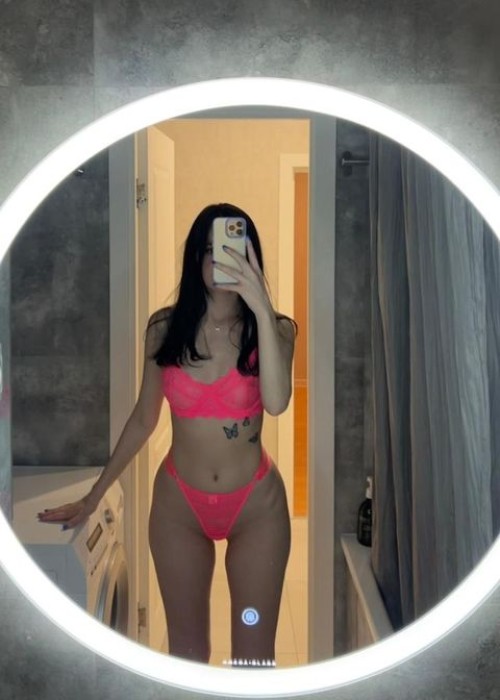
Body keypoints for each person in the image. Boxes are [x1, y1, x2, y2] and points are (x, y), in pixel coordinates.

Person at [38, 203, 296, 666]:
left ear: (252, 257)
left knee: (254, 658)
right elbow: (144, 418)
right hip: (180, 508)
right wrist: (94, 497)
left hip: (257, 509)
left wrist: (259, 305)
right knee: (187, 654)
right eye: (210, 249)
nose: (220, 259)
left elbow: (276, 404)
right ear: (195, 257)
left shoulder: (276, 330)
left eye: (233, 248)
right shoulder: (163, 329)